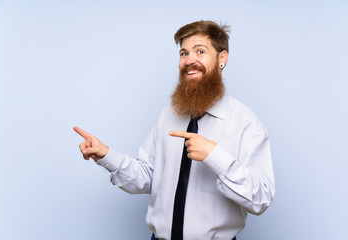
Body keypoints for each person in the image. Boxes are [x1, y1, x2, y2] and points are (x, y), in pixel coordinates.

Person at [74, 20, 275, 240]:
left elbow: (261, 198)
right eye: (183, 53)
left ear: (222, 58)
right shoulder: (168, 116)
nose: (190, 60)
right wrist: (106, 155)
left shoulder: (247, 123)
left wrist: (215, 157)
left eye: (200, 51)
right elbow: (150, 177)